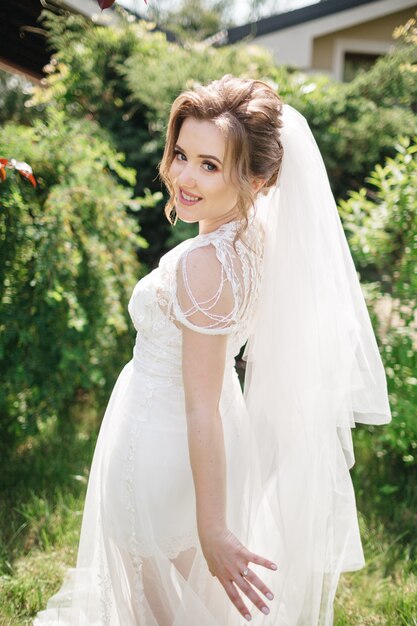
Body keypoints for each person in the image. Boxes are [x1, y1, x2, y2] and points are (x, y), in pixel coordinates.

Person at [34, 75, 391, 626]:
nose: (183, 177)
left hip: (166, 446)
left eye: (209, 165)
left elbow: (199, 404)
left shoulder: (205, 265)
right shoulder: (250, 240)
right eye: (181, 154)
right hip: (194, 433)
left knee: (162, 609)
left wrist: (214, 528)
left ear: (260, 178)